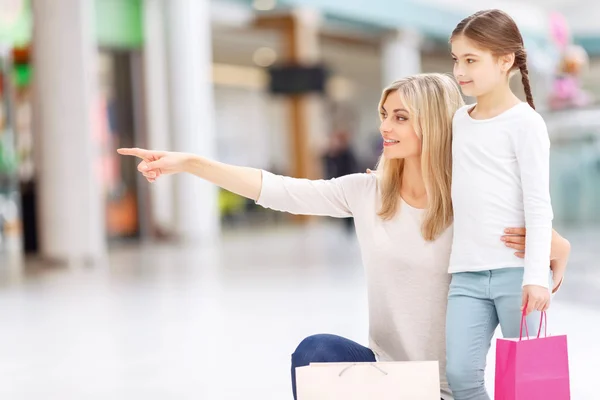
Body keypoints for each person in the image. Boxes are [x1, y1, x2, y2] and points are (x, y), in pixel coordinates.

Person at [117, 73, 571, 400]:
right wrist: (192, 163)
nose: (384, 128)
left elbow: (545, 239)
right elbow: (278, 190)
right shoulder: (366, 192)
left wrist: (556, 247)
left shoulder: (472, 201)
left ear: (432, 124)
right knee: (315, 352)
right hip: (389, 381)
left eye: (399, 117)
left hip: (452, 390)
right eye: (383, 115)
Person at [446, 10, 567, 399]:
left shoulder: (526, 123)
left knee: (529, 383)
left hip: (518, 275)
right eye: (456, 59)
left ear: (505, 61)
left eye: (470, 60)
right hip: (466, 274)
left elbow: (537, 203)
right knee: (461, 375)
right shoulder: (459, 121)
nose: (460, 70)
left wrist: (536, 276)